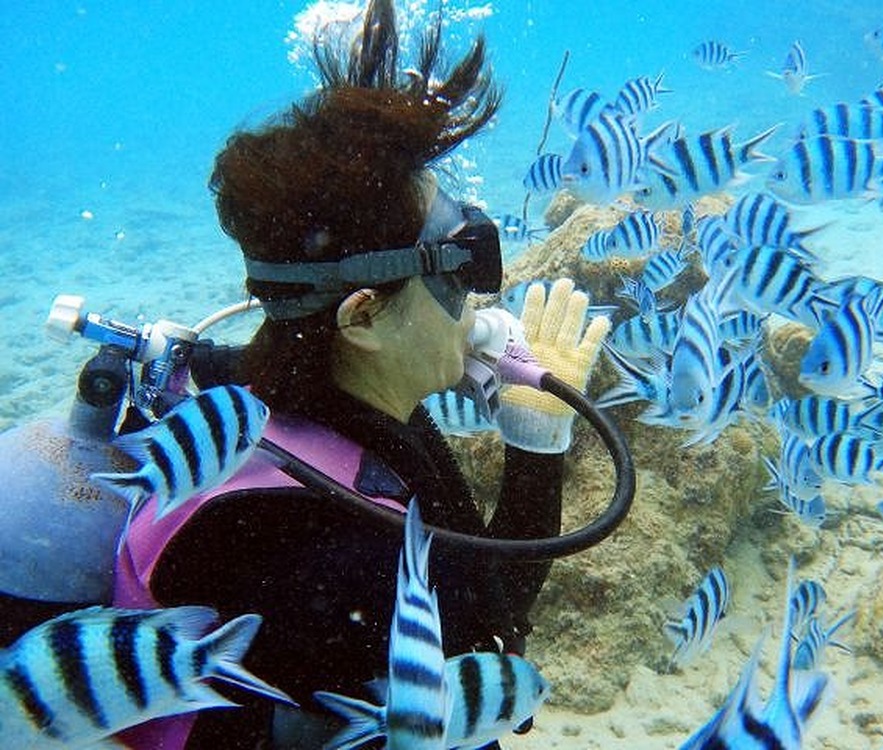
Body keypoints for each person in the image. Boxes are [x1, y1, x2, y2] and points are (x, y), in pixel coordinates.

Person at [113, 1, 610, 747]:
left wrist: (521, 426)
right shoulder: (335, 555)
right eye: (455, 271)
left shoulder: (263, 397)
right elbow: (484, 641)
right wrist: (538, 449)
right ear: (364, 318)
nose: (479, 297)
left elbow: (476, 597)